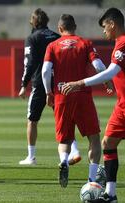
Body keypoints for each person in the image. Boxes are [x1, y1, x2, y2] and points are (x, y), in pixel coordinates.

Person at [61, 8, 124, 203]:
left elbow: (110, 72)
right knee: (107, 143)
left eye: (105, 27)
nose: (104, 31)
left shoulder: (123, 44)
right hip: (121, 105)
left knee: (107, 143)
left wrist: (80, 83)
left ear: (112, 24)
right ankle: (110, 195)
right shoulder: (118, 44)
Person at [41, 14, 108, 188]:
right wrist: (107, 80)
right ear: (75, 26)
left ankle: (64, 160)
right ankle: (92, 180)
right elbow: (99, 66)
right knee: (94, 138)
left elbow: (45, 71)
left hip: (61, 95)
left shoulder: (52, 46)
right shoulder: (85, 44)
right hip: (82, 95)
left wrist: (49, 92)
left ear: (60, 28)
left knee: (64, 139)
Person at [19, 8, 81, 166]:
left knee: (32, 120)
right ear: (46, 21)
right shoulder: (56, 36)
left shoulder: (32, 38)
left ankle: (31, 157)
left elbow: (30, 63)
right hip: (59, 83)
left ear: (33, 22)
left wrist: (23, 84)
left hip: (40, 84)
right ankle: (74, 150)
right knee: (64, 119)